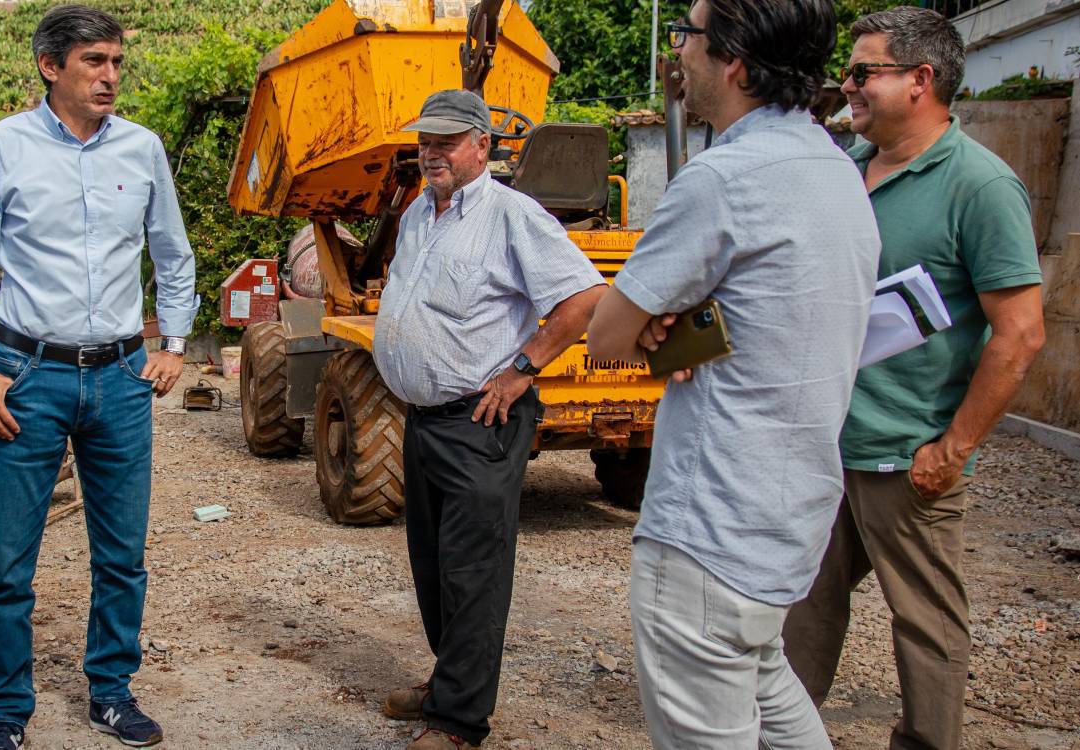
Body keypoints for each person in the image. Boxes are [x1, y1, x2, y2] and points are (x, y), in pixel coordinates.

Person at [584, 0, 881, 746]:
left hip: (707, 532)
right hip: (786, 518)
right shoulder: (837, 171)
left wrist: (658, 321)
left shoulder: (722, 179)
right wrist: (682, 319)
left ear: (736, 62)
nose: (675, 52)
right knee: (769, 689)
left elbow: (607, 337)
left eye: (686, 35)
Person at [782, 9, 1046, 750]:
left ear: (920, 81)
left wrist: (951, 448)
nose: (847, 85)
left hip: (907, 453)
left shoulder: (979, 186)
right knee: (800, 605)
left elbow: (1020, 333)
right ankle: (779, 735)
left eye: (863, 71)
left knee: (925, 624)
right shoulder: (844, 168)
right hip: (826, 441)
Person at [0, 5, 199, 749]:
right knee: (7, 561)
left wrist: (175, 345)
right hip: (27, 376)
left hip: (121, 375)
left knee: (121, 553)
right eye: (94, 62)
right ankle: (8, 712)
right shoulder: (3, 147)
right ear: (50, 67)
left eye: (117, 62)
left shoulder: (141, 148)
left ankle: (111, 691)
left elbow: (172, 255)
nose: (111, 76)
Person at [372, 89, 607, 750]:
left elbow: (583, 298)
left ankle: (457, 723)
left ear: (482, 144)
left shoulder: (511, 215)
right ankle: (450, 681)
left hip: (479, 421)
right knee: (432, 564)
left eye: (446, 141)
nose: (432, 152)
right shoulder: (420, 212)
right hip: (423, 418)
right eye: (425, 140)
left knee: (472, 572)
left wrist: (521, 370)